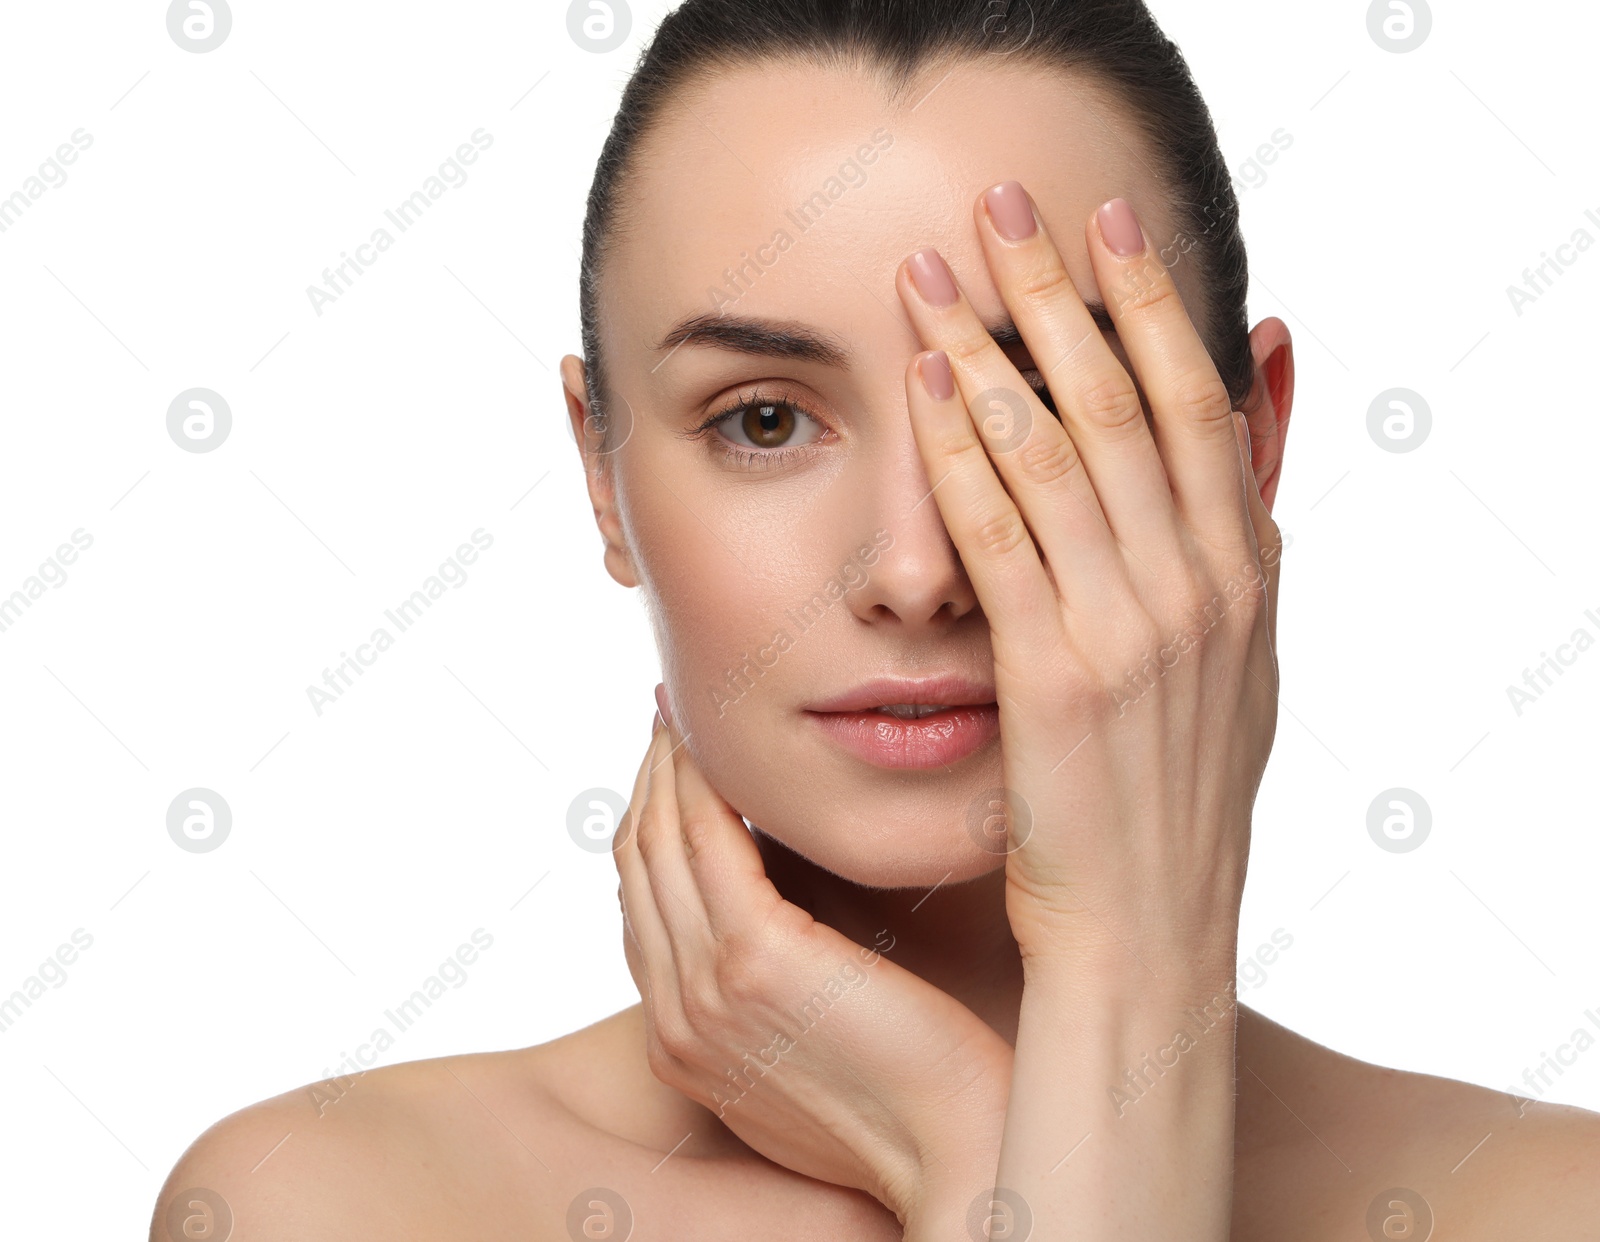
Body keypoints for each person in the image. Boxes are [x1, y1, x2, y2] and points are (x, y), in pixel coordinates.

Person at [151, 1, 1600, 1237]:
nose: (915, 569)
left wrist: (1017, 1108)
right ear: (603, 472)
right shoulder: (338, 1204)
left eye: (1026, 403)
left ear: (1250, 453)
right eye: (766, 419)